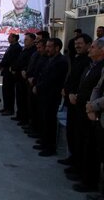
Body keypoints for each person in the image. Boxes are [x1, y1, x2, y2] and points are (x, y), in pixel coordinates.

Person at [66, 38, 104, 192]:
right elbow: (94, 88)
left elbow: (96, 90)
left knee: (92, 149)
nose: (89, 50)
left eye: (93, 47)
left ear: (102, 50)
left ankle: (90, 182)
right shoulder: (91, 65)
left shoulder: (101, 67)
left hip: (95, 114)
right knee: (82, 142)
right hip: (84, 108)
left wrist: (91, 106)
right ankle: (82, 173)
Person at [60, 34, 92, 169]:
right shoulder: (77, 58)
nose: (77, 46)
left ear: (89, 45)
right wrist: (66, 90)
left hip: (80, 103)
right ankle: (72, 158)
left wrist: (75, 94)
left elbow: (84, 83)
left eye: (80, 43)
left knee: (79, 136)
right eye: (76, 44)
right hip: (70, 100)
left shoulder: (88, 62)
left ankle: (78, 165)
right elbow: (71, 77)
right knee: (71, 133)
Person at [33, 38, 68, 157]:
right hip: (44, 94)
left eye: (49, 46)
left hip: (51, 96)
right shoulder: (50, 59)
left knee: (50, 122)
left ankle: (50, 147)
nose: (47, 49)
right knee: (44, 119)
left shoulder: (61, 61)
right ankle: (44, 142)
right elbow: (43, 74)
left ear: (57, 48)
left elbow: (52, 79)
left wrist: (39, 86)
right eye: (46, 46)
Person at [11, 32, 37, 125]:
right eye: (25, 39)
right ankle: (19, 115)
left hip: (24, 78)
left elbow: (29, 64)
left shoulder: (33, 51)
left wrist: (24, 70)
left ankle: (24, 118)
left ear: (33, 41)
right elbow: (19, 60)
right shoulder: (25, 49)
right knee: (19, 98)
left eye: (27, 39)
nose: (25, 41)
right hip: (18, 77)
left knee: (24, 99)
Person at [0, 33, 22, 116]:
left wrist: (2, 64)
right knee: (5, 90)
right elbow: (6, 57)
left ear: (14, 38)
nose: (8, 39)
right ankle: (6, 107)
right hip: (6, 71)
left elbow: (11, 59)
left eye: (10, 37)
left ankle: (10, 109)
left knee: (9, 91)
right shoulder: (11, 46)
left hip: (10, 72)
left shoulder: (17, 47)